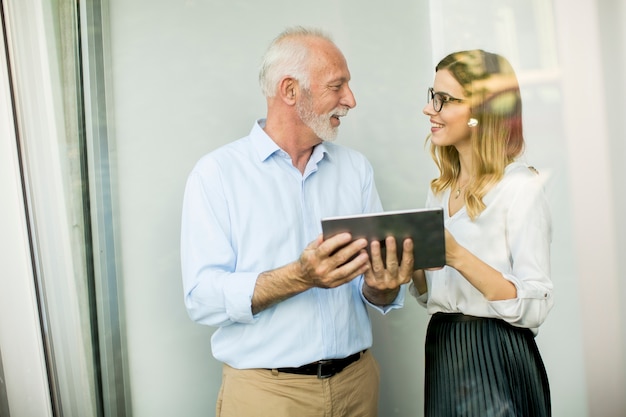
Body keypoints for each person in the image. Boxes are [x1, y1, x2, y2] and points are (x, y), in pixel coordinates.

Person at [180, 26, 414, 417]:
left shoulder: (355, 169)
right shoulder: (216, 174)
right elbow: (202, 299)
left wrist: (383, 287)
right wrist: (300, 276)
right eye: (337, 86)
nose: (350, 100)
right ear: (290, 91)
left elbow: (372, 292)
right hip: (266, 396)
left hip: (357, 385)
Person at [411, 49, 554, 416]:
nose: (430, 109)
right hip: (443, 348)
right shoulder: (440, 189)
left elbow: (534, 305)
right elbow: (434, 293)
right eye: (432, 96)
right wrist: (407, 264)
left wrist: (457, 255)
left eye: (444, 100)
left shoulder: (521, 188)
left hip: (496, 356)